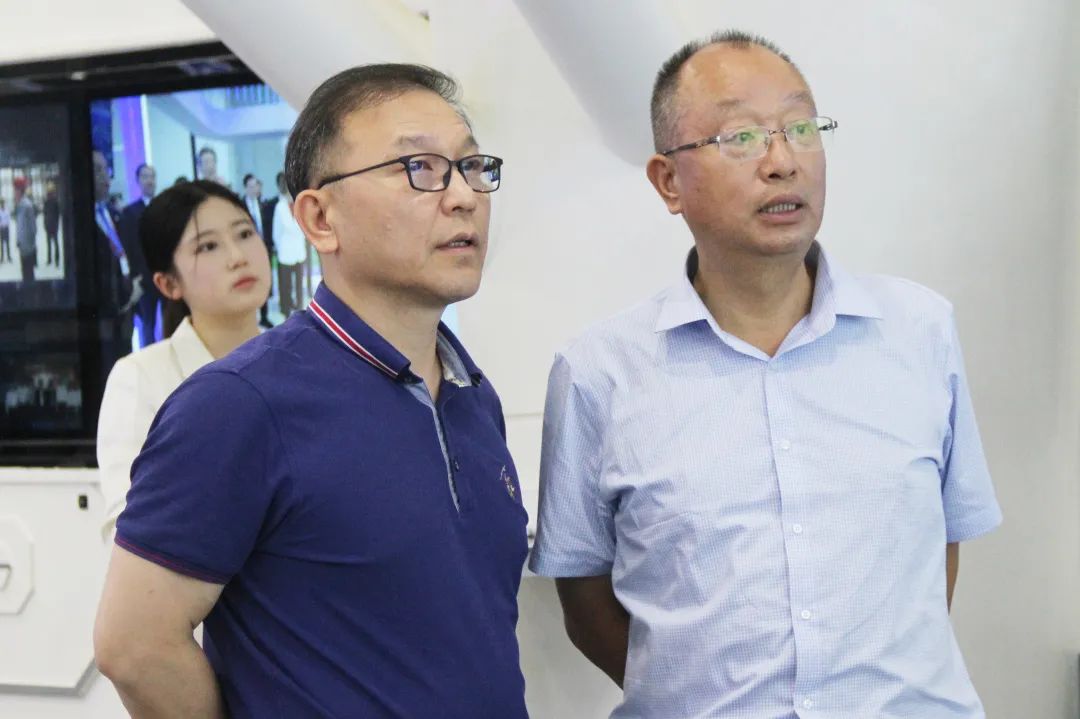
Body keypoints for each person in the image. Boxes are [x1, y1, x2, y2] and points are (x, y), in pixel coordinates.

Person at [529, 30, 1003, 719]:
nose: (782, 162)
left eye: (801, 128)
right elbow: (583, 594)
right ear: (668, 181)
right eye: (741, 138)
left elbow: (938, 550)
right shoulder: (599, 371)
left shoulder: (920, 330)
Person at [94, 63, 526, 719]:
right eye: (420, 168)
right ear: (319, 218)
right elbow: (134, 646)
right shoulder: (239, 404)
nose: (464, 195)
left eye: (472, 166)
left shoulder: (473, 395)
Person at [97, 179, 272, 539]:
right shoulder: (141, 378)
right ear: (168, 284)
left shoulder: (302, 359)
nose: (238, 257)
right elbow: (128, 532)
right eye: (208, 246)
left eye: (244, 234)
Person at [91, 149, 141, 366]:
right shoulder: (79, 219)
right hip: (102, 314)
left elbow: (128, 252)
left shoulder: (115, 214)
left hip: (125, 308)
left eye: (106, 170)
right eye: (97, 170)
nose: (104, 177)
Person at [119, 163, 162, 346]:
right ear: (138, 181)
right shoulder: (129, 212)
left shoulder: (164, 208)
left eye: (152, 176)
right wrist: (135, 275)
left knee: (172, 320)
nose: (149, 181)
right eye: (145, 177)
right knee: (147, 324)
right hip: (144, 278)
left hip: (166, 274)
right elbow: (128, 247)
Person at [271, 172, 306, 316]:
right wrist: (280, 247)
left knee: (299, 285)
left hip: (299, 251)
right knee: (286, 285)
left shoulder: (300, 204)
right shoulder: (279, 207)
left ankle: (300, 308)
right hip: (285, 252)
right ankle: (285, 309)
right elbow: (276, 232)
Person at [242, 172, 274, 328]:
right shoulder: (240, 206)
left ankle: (264, 316)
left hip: (264, 249)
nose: (254, 189)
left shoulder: (263, 203)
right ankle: (249, 318)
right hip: (247, 252)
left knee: (263, 281)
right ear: (245, 188)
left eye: (255, 186)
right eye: (251, 186)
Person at [13, 176, 36, 282]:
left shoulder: (27, 206)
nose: (14, 193)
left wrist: (30, 245)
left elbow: (32, 228)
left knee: (28, 274)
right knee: (25, 273)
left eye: (16, 190)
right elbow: (20, 226)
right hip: (23, 246)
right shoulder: (20, 205)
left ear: (20, 191)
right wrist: (19, 240)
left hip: (28, 247)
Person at [43, 184, 60, 266]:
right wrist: (45, 223)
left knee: (54, 243)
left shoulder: (54, 202)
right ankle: (51, 259)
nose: (49, 194)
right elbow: (45, 213)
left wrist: (55, 224)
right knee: (50, 243)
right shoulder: (47, 202)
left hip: (52, 225)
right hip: (50, 225)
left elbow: (57, 214)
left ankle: (55, 259)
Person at [0, 198, 10, 263]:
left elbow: (8, 219)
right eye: (1, 203)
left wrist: (6, 224)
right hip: (1, 228)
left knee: (7, 243)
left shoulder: (7, 210)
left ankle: (9, 257)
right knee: (2, 244)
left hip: (6, 228)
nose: (2, 204)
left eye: (3, 203)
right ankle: (2, 257)